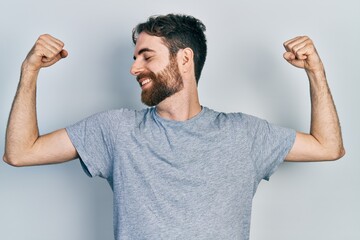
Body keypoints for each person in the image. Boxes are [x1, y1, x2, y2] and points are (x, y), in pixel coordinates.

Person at [3, 14, 345, 240]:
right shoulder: (116, 131)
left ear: (184, 59)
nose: (134, 68)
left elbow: (328, 147)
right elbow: (20, 153)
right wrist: (29, 71)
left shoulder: (243, 135)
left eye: (146, 56)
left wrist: (315, 72)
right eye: (134, 57)